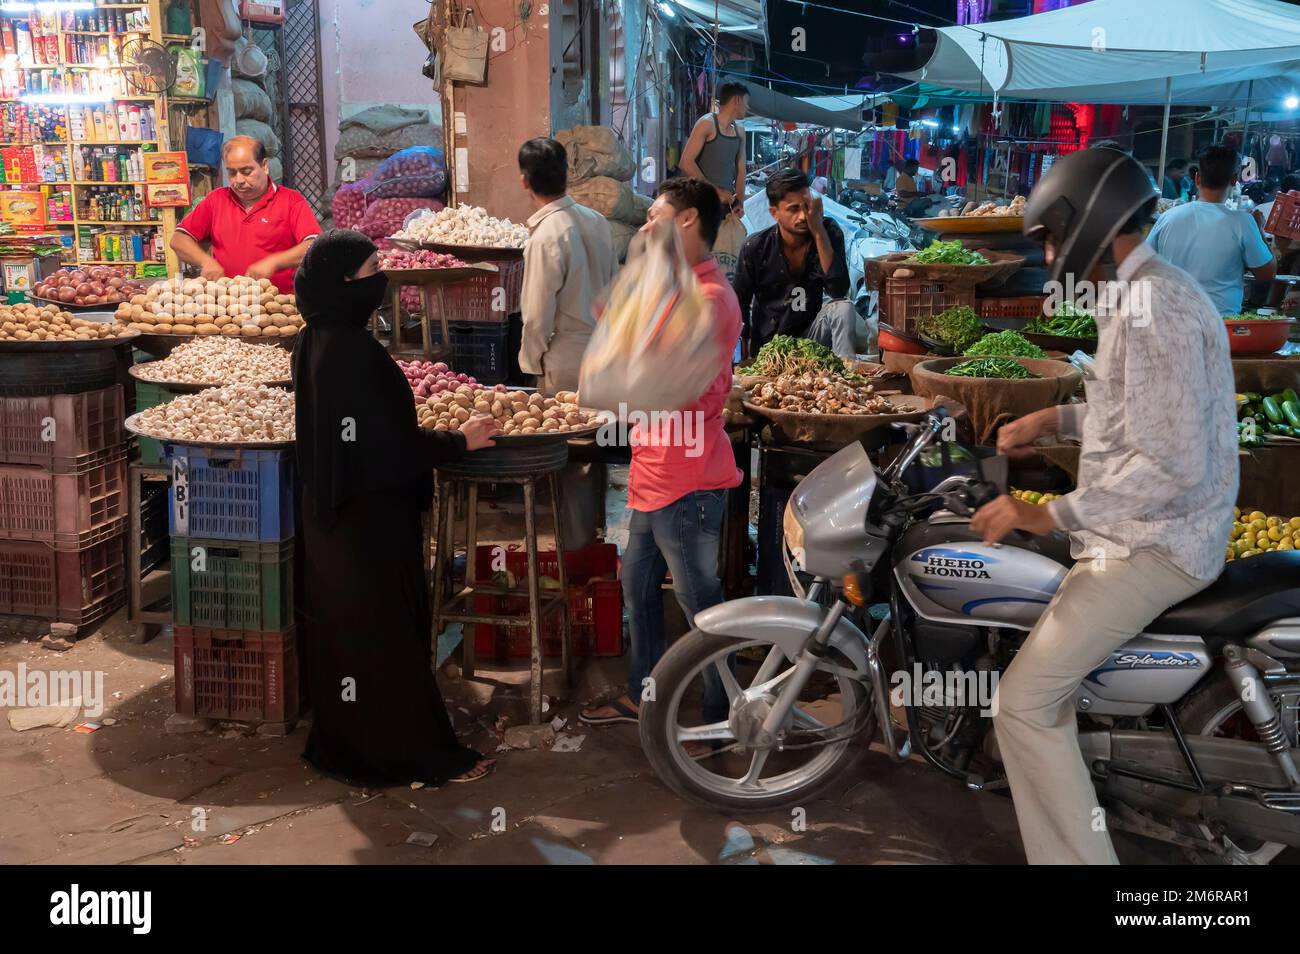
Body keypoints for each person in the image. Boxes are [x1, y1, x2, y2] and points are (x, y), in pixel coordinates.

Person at [972, 147, 1237, 864]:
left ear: (1088, 223)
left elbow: (1169, 463)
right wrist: (1050, 423)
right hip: (1138, 531)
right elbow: (1136, 417)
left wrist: (1045, 515)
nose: (1053, 254)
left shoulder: (1154, 307)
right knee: (1042, 699)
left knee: (1022, 707)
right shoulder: (1142, 290)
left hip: (1156, 545)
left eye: (1053, 237)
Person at [292, 229, 499, 787]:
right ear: (342, 284)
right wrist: (459, 441)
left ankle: (347, 745)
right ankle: (409, 754)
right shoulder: (352, 352)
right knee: (385, 637)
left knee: (347, 636)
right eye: (370, 271)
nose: (380, 280)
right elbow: (388, 449)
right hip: (369, 522)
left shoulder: (313, 340)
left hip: (330, 515)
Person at [579, 178, 743, 735]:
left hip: (689, 480)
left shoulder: (712, 298)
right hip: (653, 473)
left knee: (703, 606)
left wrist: (621, 359)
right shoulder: (674, 286)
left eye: (655, 216)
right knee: (636, 586)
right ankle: (641, 695)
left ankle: (723, 718)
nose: (646, 226)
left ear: (689, 221)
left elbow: (656, 378)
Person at [517, 137, 614, 395]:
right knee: (603, 433)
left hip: (566, 362)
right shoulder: (599, 222)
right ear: (567, 174)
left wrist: (530, 364)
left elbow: (537, 315)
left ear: (524, 181)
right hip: (604, 354)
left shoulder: (545, 236)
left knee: (567, 432)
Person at [732, 167, 856, 357]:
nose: (803, 216)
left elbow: (838, 290)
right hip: (770, 347)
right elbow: (739, 306)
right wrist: (742, 358)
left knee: (843, 308)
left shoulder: (827, 233)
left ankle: (846, 380)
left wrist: (818, 233)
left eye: (806, 206)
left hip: (811, 341)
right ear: (774, 213)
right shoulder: (756, 247)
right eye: (793, 209)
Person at [172, 136, 321, 293]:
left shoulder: (291, 201)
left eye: (246, 171)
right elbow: (179, 239)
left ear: (264, 166)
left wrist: (275, 262)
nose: (239, 180)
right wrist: (205, 261)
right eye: (232, 173)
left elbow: (314, 246)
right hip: (228, 303)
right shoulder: (216, 200)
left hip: (278, 305)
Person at [1146, 143, 1275, 314]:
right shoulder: (1243, 222)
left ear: (1197, 178)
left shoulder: (1168, 218)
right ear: (1234, 179)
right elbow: (1267, 274)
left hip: (1169, 319)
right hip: (1219, 324)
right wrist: (1259, 228)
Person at [678, 80, 749, 215]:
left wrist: (739, 202)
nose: (747, 108)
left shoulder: (740, 132)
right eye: (746, 103)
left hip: (724, 206)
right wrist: (716, 192)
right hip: (699, 201)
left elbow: (741, 170)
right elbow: (685, 163)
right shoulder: (707, 123)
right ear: (737, 100)